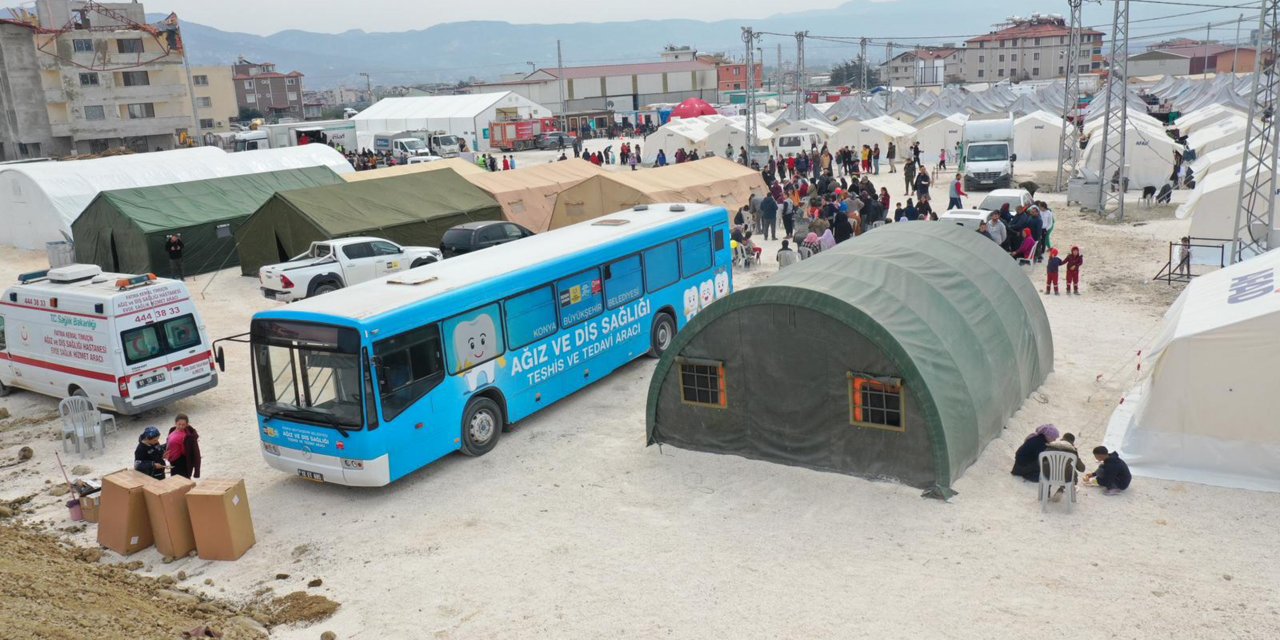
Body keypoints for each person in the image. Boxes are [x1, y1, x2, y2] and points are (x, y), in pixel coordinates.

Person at [164, 413, 201, 479]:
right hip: (172, 462)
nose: (181, 426)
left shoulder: (188, 437)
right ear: (175, 423)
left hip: (181, 463)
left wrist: (196, 472)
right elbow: (169, 443)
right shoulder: (172, 430)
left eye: (183, 425)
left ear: (187, 424)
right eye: (179, 424)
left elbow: (196, 453)